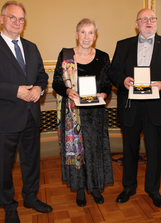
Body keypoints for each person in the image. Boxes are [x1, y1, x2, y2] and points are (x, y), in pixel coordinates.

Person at [0, 1, 51, 223]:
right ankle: (9, 206)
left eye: (21, 19)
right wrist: (15, 91)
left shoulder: (31, 47)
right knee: (4, 167)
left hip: (31, 116)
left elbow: (42, 75)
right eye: (12, 17)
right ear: (2, 19)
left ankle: (31, 197)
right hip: (3, 119)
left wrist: (39, 87)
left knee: (31, 162)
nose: (17, 22)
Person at [109, 8, 161, 208]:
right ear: (137, 23)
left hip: (157, 107)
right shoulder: (123, 45)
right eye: (144, 19)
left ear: (156, 22)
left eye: (152, 18)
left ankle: (153, 190)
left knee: (155, 152)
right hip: (130, 106)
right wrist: (123, 79)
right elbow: (113, 71)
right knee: (129, 150)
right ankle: (128, 187)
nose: (148, 22)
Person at [53, 18, 114, 207]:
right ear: (77, 34)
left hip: (95, 113)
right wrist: (67, 91)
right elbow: (56, 82)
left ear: (95, 36)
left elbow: (107, 83)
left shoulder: (103, 57)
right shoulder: (65, 56)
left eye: (90, 32)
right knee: (77, 152)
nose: (86, 37)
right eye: (82, 32)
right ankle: (80, 188)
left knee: (94, 149)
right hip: (73, 113)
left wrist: (104, 92)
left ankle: (94, 186)